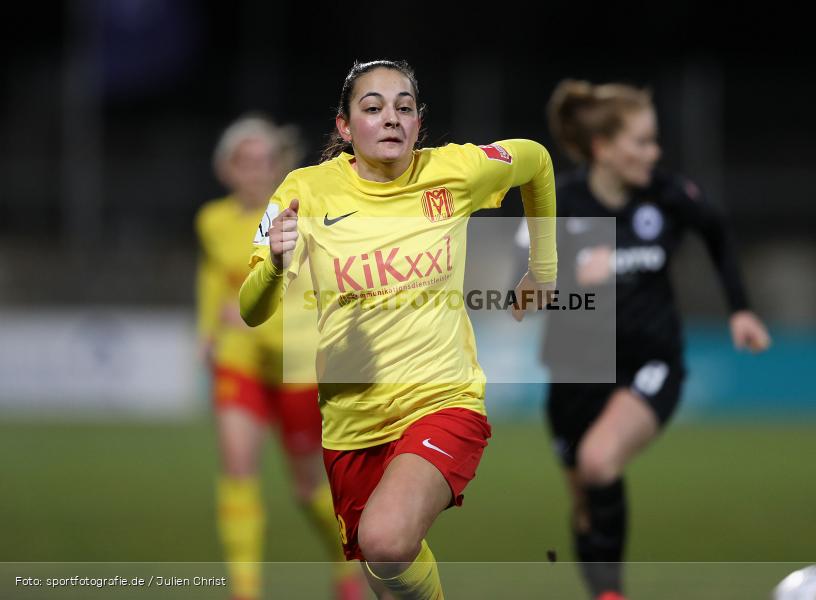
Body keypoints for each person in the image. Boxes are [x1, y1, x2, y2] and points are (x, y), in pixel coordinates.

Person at [239, 59, 557, 600]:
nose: (391, 118)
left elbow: (536, 160)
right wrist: (272, 262)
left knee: (385, 540)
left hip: (443, 400)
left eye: (404, 107)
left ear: (418, 122)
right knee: (389, 573)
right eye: (373, 107)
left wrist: (544, 269)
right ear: (345, 127)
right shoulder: (302, 192)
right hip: (350, 427)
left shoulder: (454, 171)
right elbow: (252, 309)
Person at [534, 80, 771, 600]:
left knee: (600, 461)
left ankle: (612, 595)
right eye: (641, 142)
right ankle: (602, 592)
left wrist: (741, 310)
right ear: (603, 148)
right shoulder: (560, 205)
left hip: (652, 361)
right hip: (576, 373)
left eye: (654, 140)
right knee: (584, 504)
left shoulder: (667, 195)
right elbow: (521, 298)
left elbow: (717, 231)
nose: (654, 153)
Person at [195, 115, 360, 600]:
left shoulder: (299, 214)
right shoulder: (212, 221)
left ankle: (346, 567)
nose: (253, 170)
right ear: (227, 168)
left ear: (276, 165)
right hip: (241, 357)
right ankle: (244, 591)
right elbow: (213, 279)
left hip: (297, 366)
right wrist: (207, 329)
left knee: (308, 490)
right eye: (243, 161)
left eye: (263, 160)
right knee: (237, 469)